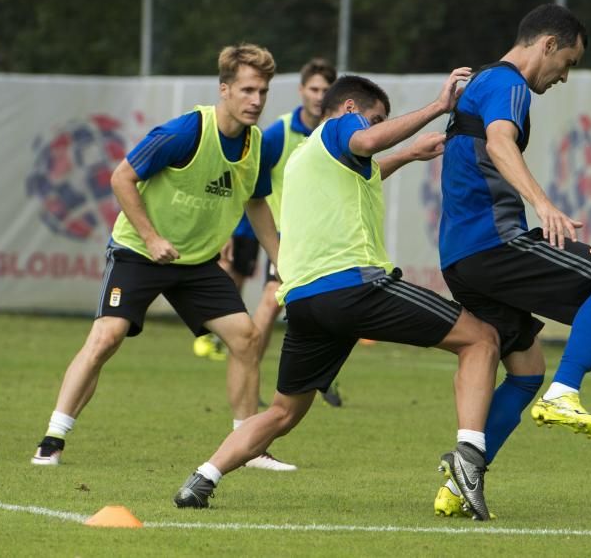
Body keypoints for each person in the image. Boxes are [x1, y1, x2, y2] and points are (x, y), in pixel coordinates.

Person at [173, 71, 501, 521]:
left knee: (284, 412)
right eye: (376, 119)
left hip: (306, 302)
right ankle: (469, 458)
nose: (376, 128)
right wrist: (437, 108)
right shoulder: (339, 127)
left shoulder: (308, 157)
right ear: (350, 111)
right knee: (481, 339)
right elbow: (365, 144)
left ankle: (203, 477)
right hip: (355, 287)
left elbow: (366, 170)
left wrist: (406, 154)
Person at [31, 43, 295, 472]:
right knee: (106, 337)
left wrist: (282, 258)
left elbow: (256, 202)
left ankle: (247, 446)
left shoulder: (257, 145)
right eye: (247, 90)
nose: (256, 100)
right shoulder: (185, 132)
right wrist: (152, 238)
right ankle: (52, 439)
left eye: (263, 91)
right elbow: (122, 177)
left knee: (246, 338)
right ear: (224, 89)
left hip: (196, 264)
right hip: (139, 252)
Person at [433, 4, 591, 517]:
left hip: (460, 259)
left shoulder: (483, 82)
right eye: (567, 62)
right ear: (547, 44)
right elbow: (501, 141)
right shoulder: (509, 84)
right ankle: (565, 393)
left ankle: (461, 483)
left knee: (525, 368)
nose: (565, 76)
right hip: (493, 243)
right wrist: (542, 204)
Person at [204, 59, 346, 409]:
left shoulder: (338, 132)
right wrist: (231, 230)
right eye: (313, 89)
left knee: (334, 305)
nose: (318, 96)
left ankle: (322, 374)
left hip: (327, 237)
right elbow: (248, 185)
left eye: (325, 89)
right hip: (285, 236)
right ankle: (251, 373)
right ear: (301, 91)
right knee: (271, 300)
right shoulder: (279, 133)